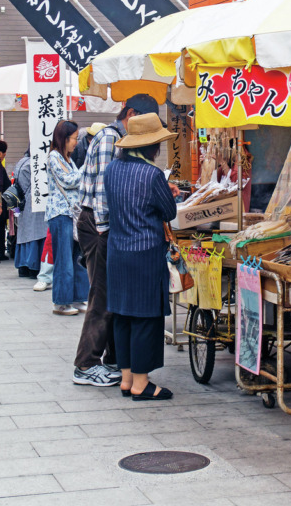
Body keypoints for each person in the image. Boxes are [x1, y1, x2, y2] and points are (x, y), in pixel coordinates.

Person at [73, 93, 160, 387]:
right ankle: (85, 364)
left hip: (100, 225)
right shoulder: (112, 138)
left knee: (113, 293)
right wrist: (105, 230)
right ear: (131, 113)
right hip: (99, 225)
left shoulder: (115, 138)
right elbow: (103, 192)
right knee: (103, 295)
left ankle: (112, 360)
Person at [105, 113, 179, 400]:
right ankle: (141, 383)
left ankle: (126, 379)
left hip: (117, 251)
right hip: (145, 252)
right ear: (151, 147)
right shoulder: (152, 174)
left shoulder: (112, 169)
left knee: (122, 315)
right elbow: (169, 212)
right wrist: (169, 193)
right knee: (146, 317)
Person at [46, 121, 90, 316]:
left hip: (71, 213)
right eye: (74, 138)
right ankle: (61, 302)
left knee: (77, 256)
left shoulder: (68, 159)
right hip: (61, 213)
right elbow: (70, 180)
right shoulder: (54, 157)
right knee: (64, 258)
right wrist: (87, 167)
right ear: (64, 138)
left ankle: (78, 297)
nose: (76, 143)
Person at [13, 147, 48, 279]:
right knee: (37, 233)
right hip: (34, 202)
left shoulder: (22, 162)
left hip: (22, 203)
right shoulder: (35, 162)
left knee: (24, 234)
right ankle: (34, 265)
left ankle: (23, 265)